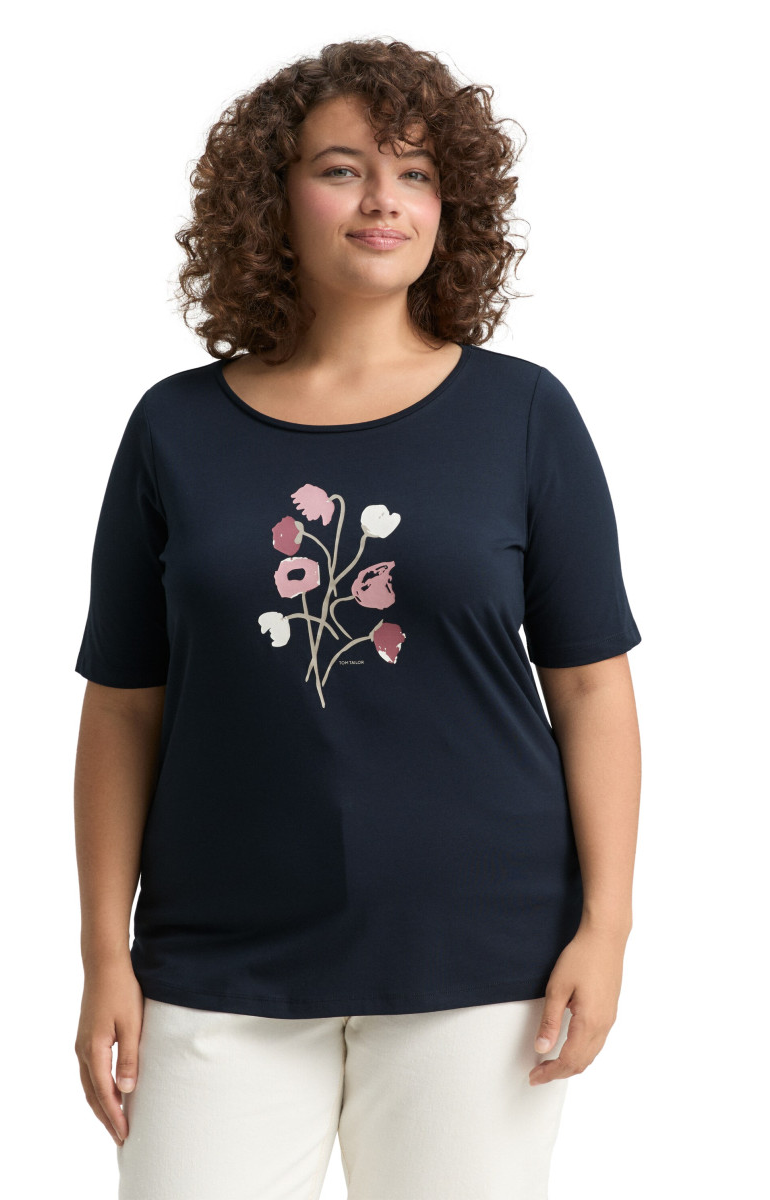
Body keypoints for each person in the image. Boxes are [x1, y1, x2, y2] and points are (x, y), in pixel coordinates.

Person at [73, 37, 642, 1200]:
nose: (384, 199)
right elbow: (123, 706)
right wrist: (101, 956)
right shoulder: (173, 429)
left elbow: (590, 686)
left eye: (415, 174)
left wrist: (606, 927)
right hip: (215, 959)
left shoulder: (523, 416)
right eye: (342, 169)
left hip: (477, 958)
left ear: (449, 207)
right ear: (272, 198)